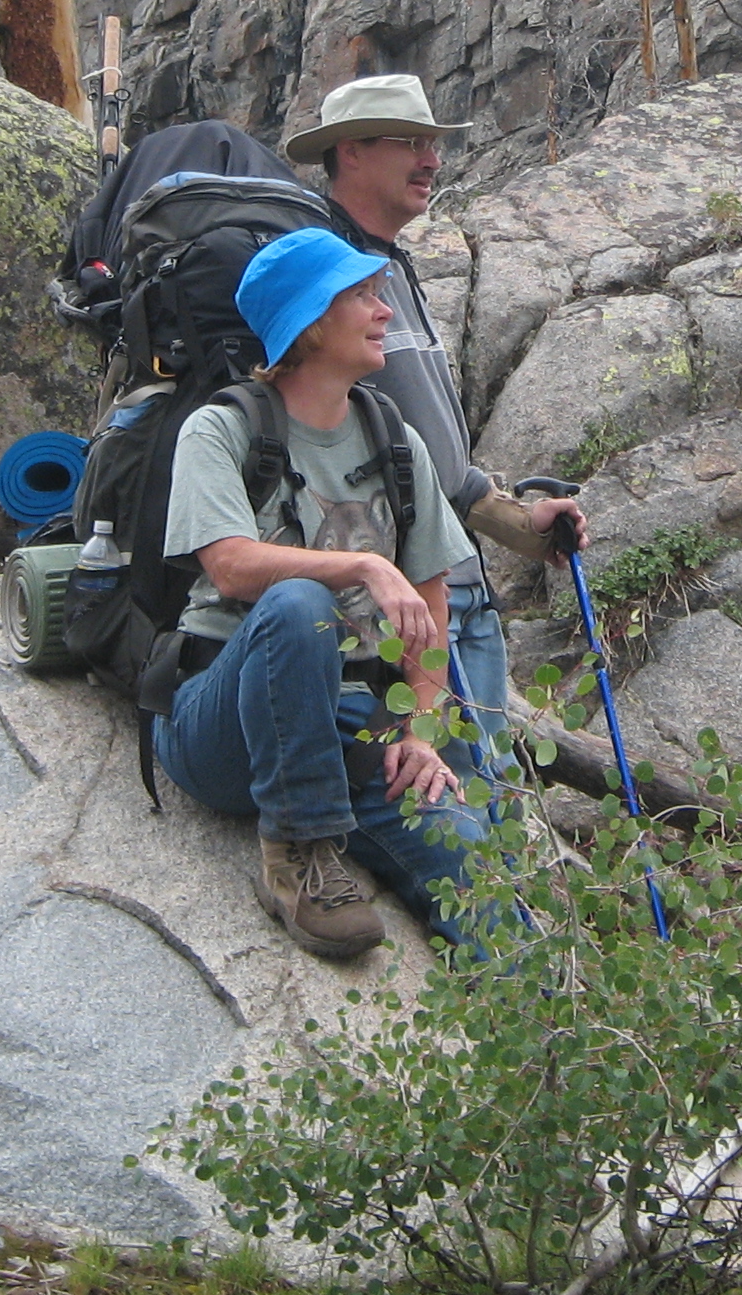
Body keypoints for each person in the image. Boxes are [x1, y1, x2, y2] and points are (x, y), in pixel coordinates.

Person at [150, 223, 495, 958]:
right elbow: (232, 568)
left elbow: (431, 599)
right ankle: (299, 853)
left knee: (475, 861)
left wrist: (423, 729)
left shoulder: (390, 434)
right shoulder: (221, 428)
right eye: (362, 296)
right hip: (223, 718)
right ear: (308, 322)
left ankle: (547, 1040)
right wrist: (362, 567)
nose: (385, 312)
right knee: (302, 607)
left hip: (347, 724)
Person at [285, 72, 586, 755]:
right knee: (460, 808)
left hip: (459, 588)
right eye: (411, 142)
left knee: (492, 804)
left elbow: (436, 465)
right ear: (351, 151)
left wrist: (524, 525)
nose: (432, 160)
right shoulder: (325, 292)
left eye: (434, 144)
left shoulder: (392, 268)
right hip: (403, 609)